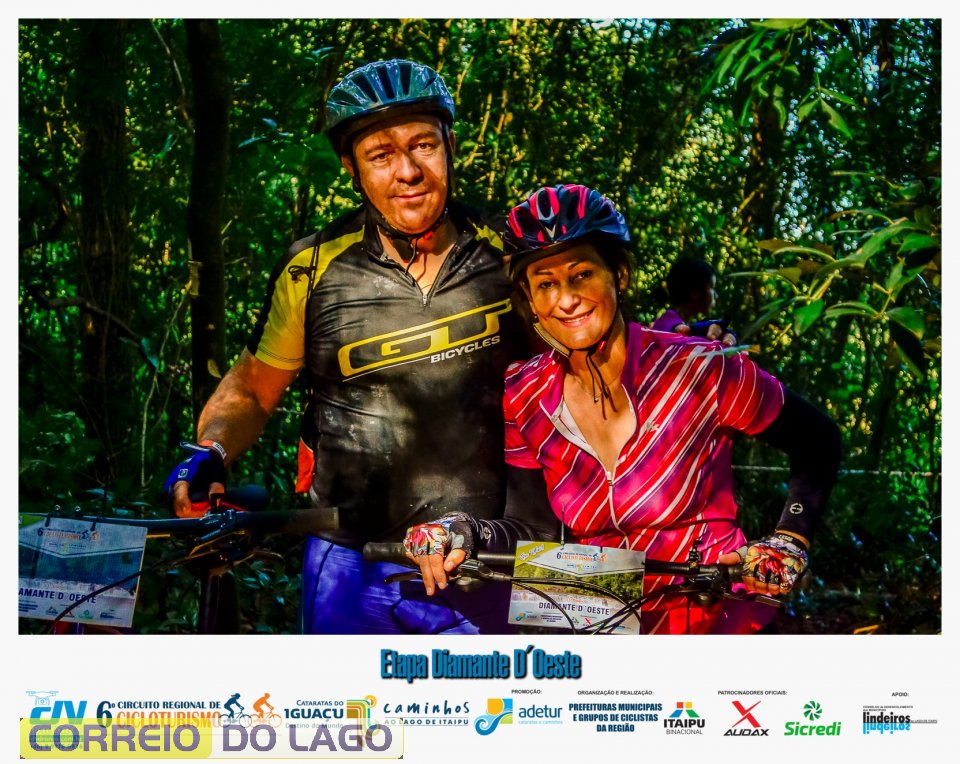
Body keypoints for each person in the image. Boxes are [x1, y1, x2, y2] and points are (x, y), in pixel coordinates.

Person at [164, 59, 527, 634]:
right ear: (351, 168)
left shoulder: (511, 255)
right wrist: (211, 449)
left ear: (450, 147)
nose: (407, 171)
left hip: (485, 557)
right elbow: (254, 387)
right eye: (381, 155)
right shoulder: (312, 268)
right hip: (350, 562)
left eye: (424, 145)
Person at [404, 184, 841, 634]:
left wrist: (789, 539)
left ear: (619, 275)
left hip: (714, 618)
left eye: (581, 275)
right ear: (529, 299)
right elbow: (532, 529)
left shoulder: (699, 367)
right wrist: (464, 531)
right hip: (602, 622)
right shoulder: (525, 391)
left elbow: (819, 440)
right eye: (546, 284)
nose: (566, 300)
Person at [651, 256, 736, 346]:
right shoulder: (668, 321)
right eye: (712, 288)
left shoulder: (675, 320)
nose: (716, 295)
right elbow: (685, 331)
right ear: (695, 293)